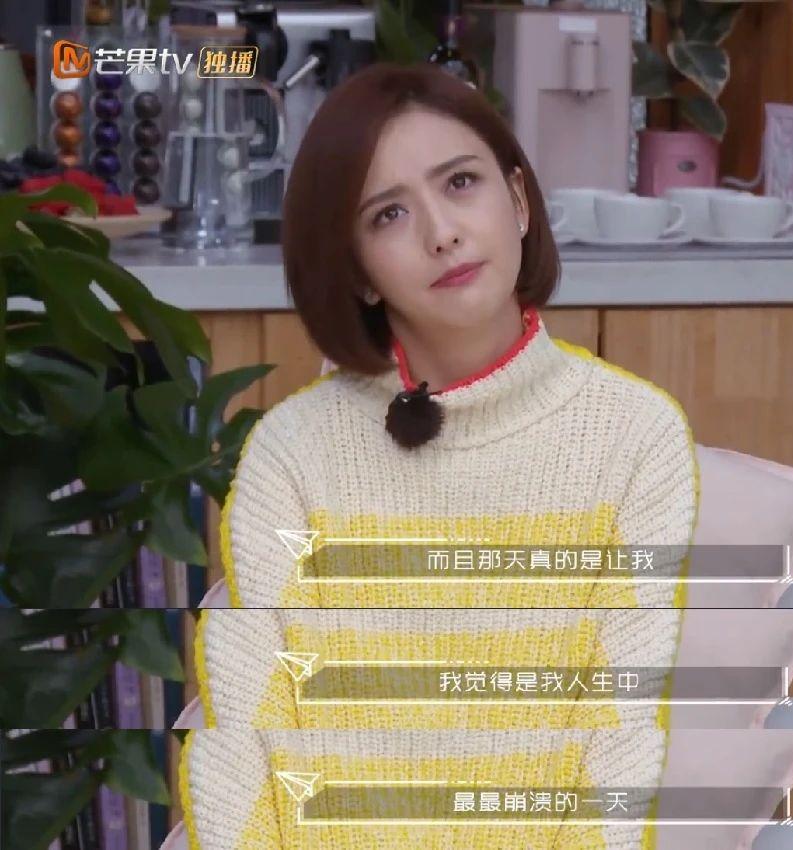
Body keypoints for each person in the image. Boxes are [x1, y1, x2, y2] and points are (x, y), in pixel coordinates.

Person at [182, 63, 700, 850]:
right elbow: (245, 743)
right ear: (358, 273)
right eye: (388, 214)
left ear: (518, 201)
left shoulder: (636, 435)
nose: (441, 233)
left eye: (460, 183)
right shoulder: (292, 453)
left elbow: (616, 738)